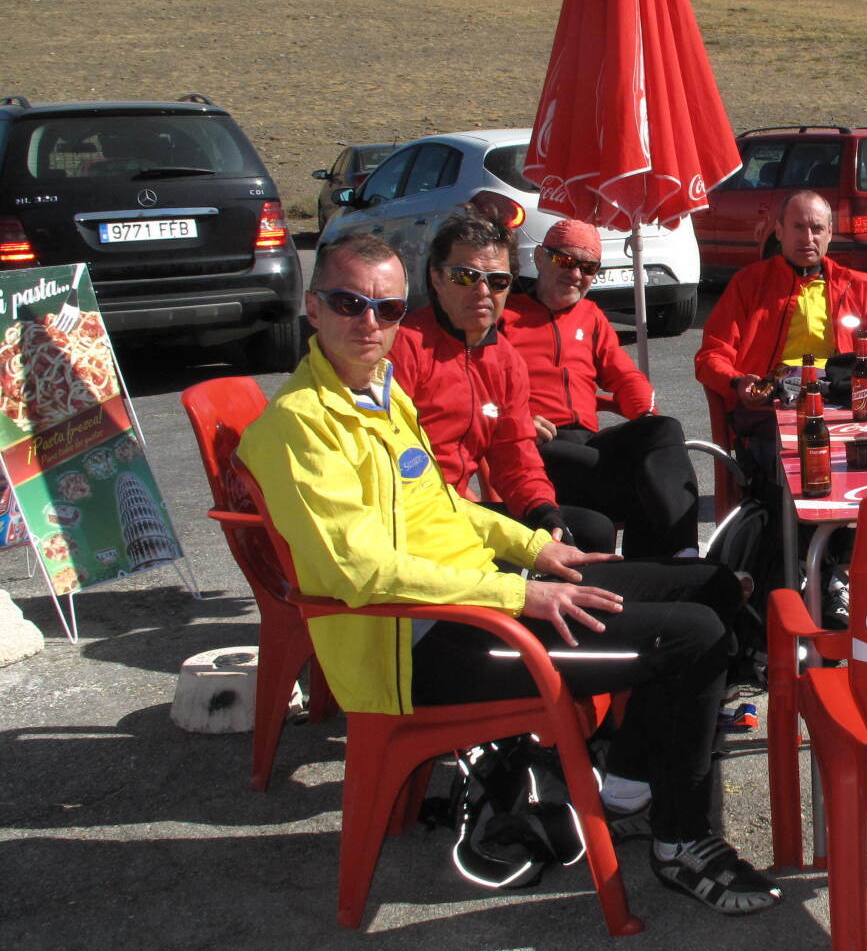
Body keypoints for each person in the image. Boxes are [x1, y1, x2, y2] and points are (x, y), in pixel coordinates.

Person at [240, 234, 781, 913]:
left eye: (387, 308)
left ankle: (628, 789)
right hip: (417, 645)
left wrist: (535, 549)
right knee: (696, 637)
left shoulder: (378, 393)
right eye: (350, 304)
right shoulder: (299, 426)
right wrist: (521, 592)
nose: (369, 323)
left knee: (709, 586)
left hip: (475, 600)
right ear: (313, 308)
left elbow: (444, 506)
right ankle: (680, 841)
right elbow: (364, 572)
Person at [390, 213, 617, 554]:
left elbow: (516, 456)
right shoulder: (403, 348)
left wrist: (542, 510)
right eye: (465, 276)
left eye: (497, 281)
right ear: (436, 278)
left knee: (588, 530)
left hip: (459, 510)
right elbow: (389, 461)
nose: (482, 291)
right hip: (411, 516)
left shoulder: (505, 360)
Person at [501, 218, 700, 559]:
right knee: (645, 479)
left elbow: (625, 376)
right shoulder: (506, 318)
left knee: (663, 429)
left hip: (587, 443)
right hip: (538, 446)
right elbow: (482, 390)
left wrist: (645, 417)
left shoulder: (591, 316)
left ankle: (683, 554)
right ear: (539, 257)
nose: (576, 274)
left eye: (588, 267)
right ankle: (658, 569)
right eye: (565, 260)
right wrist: (518, 421)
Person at [695, 189, 867, 432]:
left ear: (829, 233)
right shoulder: (748, 284)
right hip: (771, 407)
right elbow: (711, 356)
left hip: (843, 400)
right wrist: (737, 382)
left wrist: (860, 379)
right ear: (779, 231)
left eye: (817, 228)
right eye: (798, 227)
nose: (807, 238)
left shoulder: (860, 286)